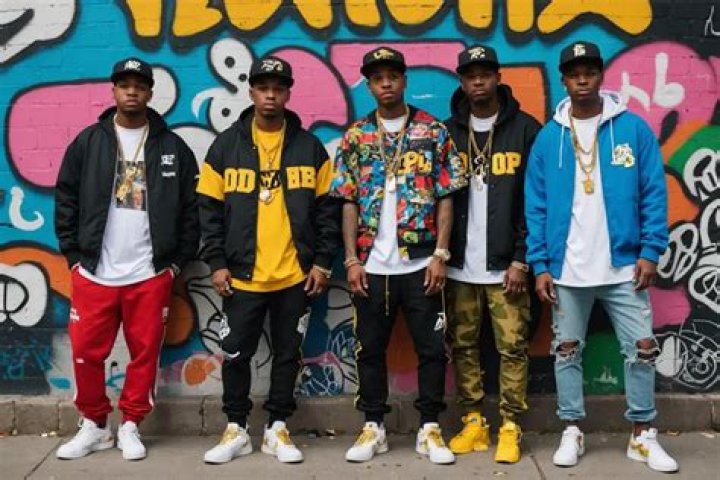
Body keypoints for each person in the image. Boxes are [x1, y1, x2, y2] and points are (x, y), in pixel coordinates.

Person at [524, 41, 678, 473]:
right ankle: (572, 428)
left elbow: (653, 191)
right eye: (574, 73)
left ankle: (642, 434)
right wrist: (540, 264)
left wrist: (650, 250)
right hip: (568, 268)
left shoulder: (633, 129)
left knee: (642, 349)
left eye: (589, 71)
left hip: (624, 267)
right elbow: (535, 205)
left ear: (600, 75)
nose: (582, 79)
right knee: (567, 351)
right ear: (564, 80)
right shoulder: (549, 138)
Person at [54, 57, 200, 460]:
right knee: (86, 353)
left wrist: (174, 264)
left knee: (144, 354)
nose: (132, 91)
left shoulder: (172, 146)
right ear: (113, 90)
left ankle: (132, 424)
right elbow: (66, 198)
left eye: (139, 85)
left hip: (149, 272)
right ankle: (95, 425)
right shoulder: (89, 142)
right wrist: (73, 256)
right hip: (95, 271)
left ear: (150, 92)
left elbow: (192, 209)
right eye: (124, 85)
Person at [197, 55, 340, 465]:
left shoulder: (309, 148)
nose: (271, 95)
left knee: (288, 355)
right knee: (235, 354)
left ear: (288, 94)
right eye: (263, 88)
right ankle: (236, 428)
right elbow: (208, 210)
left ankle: (277, 427)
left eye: (278, 89)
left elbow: (328, 211)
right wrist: (217, 263)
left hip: (295, 276)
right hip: (242, 277)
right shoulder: (226, 146)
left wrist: (322, 262)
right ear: (252, 92)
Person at [330, 46, 466, 465]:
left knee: (432, 349)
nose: (386, 83)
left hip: (421, 262)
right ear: (369, 86)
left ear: (404, 80)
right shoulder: (356, 136)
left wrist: (440, 253)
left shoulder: (432, 130)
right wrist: (351, 260)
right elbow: (348, 200)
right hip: (372, 264)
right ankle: (374, 425)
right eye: (377, 78)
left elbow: (446, 195)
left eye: (392, 76)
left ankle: (430, 427)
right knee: (369, 349)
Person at [444, 45, 541, 464]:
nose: (478, 81)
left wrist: (521, 258)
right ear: (462, 82)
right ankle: (473, 422)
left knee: (512, 348)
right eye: (470, 75)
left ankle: (510, 425)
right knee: (463, 345)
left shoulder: (526, 129)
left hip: (506, 267)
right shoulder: (448, 132)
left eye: (485, 74)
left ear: (498, 78)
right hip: (459, 265)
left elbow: (536, 200)